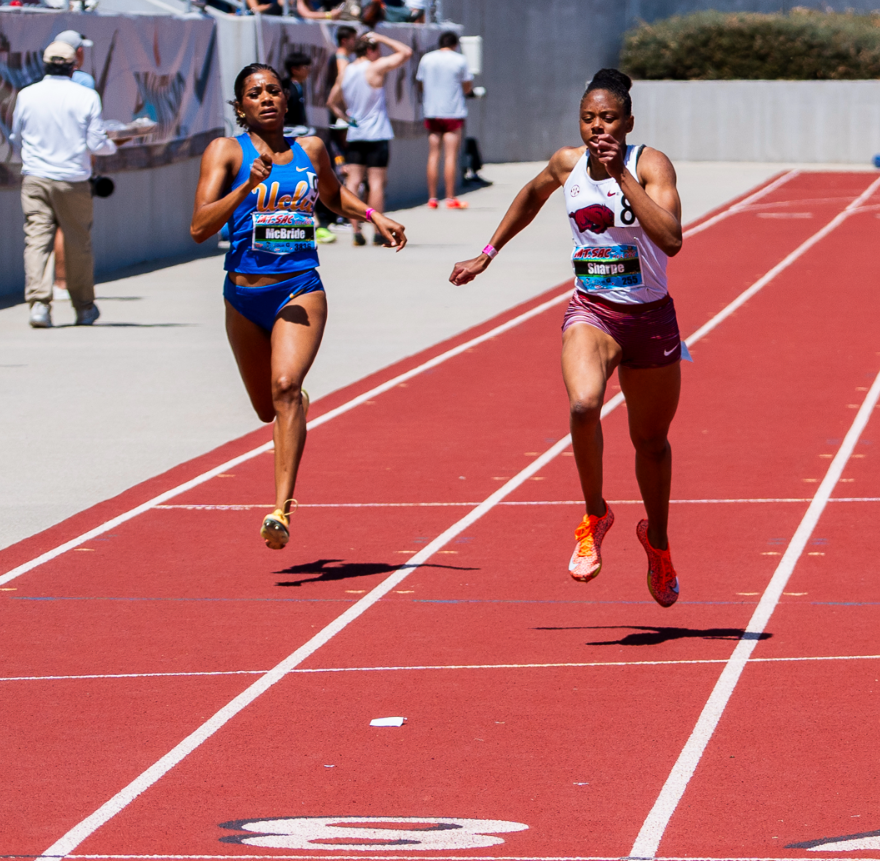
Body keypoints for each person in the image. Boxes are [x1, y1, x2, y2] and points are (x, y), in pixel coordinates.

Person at [450, 69, 688, 602]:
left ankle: (659, 542)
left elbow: (671, 240)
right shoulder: (567, 164)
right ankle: (594, 514)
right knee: (584, 405)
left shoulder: (650, 164)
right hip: (593, 310)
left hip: (650, 319)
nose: (597, 128)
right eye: (588, 118)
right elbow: (530, 197)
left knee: (650, 443)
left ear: (628, 121)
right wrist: (487, 255)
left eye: (607, 118)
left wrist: (622, 178)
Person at [192, 64, 405, 549]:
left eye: (272, 90)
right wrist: (245, 187)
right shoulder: (225, 152)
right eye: (253, 93)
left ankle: (280, 510)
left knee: (286, 386)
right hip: (243, 294)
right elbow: (199, 227)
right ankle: (292, 409)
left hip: (299, 287)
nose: (265, 98)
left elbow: (332, 195)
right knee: (268, 408)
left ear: (286, 100)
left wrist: (374, 215)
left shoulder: (309, 149)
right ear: (240, 106)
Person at [12, 37, 121, 328]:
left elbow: (16, 138)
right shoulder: (86, 96)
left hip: (35, 177)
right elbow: (97, 143)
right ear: (74, 66)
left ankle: (38, 306)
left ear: (45, 65)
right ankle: (84, 308)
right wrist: (115, 144)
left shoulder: (26, 94)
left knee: (36, 241)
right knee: (78, 244)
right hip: (73, 178)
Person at [328, 30, 413, 244]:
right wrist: (381, 37)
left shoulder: (346, 71)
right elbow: (406, 52)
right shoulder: (374, 66)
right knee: (376, 183)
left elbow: (331, 102)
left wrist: (346, 118)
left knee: (353, 181)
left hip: (355, 134)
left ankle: (355, 230)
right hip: (376, 133)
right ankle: (377, 230)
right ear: (370, 49)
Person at [418, 31, 476, 210]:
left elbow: (420, 84)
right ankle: (450, 197)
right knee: (450, 156)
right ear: (455, 44)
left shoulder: (426, 59)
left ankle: (432, 198)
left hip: (432, 111)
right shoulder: (459, 60)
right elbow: (467, 87)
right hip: (452, 112)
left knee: (433, 155)